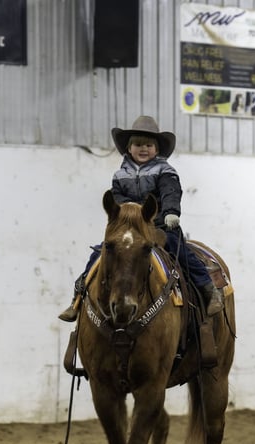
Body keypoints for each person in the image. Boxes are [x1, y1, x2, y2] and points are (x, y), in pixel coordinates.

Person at [58, 115, 224, 322]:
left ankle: (209, 289)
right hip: (129, 227)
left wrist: (171, 212)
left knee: (181, 252)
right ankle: (78, 297)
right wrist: (128, 213)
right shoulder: (120, 175)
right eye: (138, 144)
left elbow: (170, 191)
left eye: (148, 145)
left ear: (157, 149)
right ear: (129, 148)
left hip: (161, 224)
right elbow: (117, 198)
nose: (143, 148)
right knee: (101, 254)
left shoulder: (165, 171)